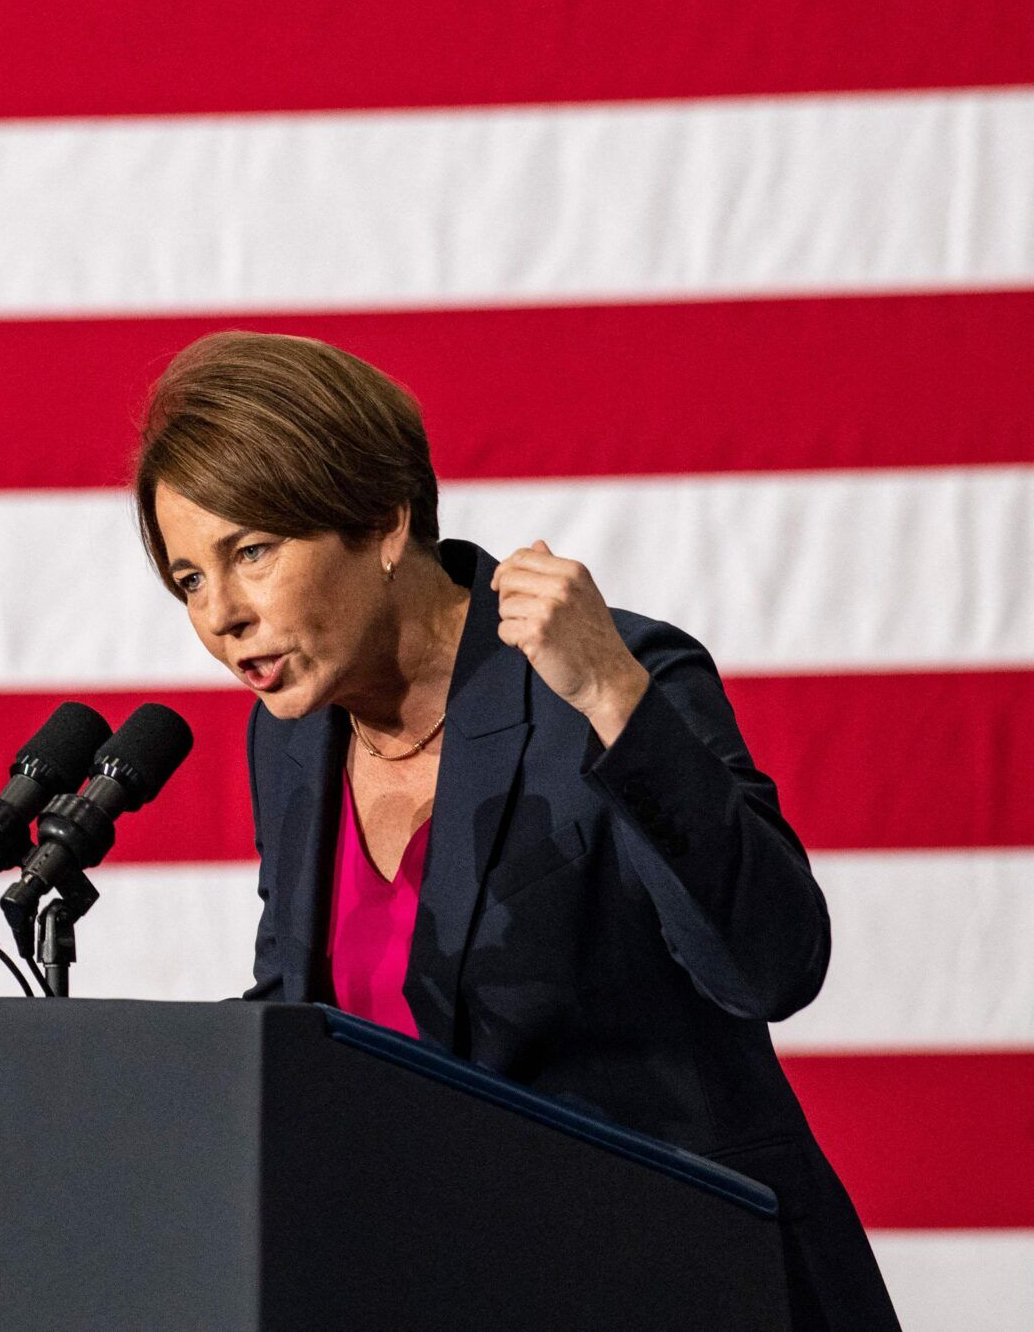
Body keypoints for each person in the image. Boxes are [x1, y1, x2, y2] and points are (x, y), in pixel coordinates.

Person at [132, 330, 900, 1332]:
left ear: (381, 520)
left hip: (681, 1287)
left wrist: (616, 699)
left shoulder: (602, 674)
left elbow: (768, 967)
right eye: (189, 579)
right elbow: (305, 1017)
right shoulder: (291, 741)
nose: (220, 616)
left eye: (252, 552)